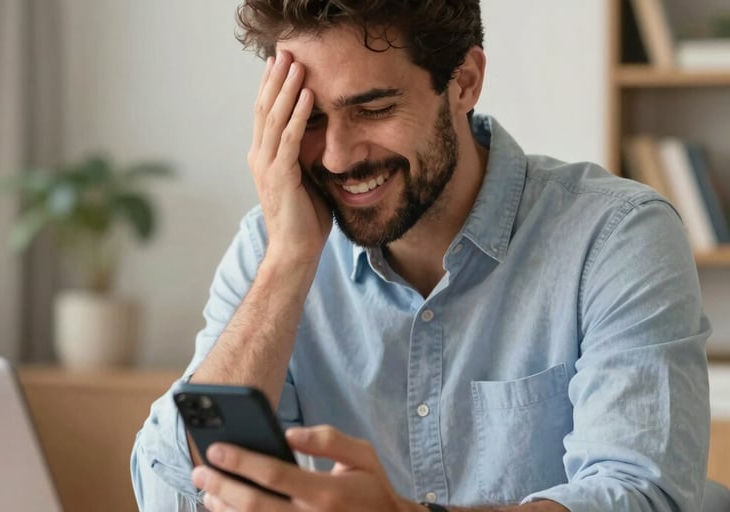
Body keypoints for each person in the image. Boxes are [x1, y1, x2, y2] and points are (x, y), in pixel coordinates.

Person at [131, 1, 711, 510]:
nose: (336, 157)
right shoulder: (273, 247)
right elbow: (172, 493)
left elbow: (640, 496)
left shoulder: (615, 237)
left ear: (464, 81)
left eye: (374, 109)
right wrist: (287, 263)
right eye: (310, 119)